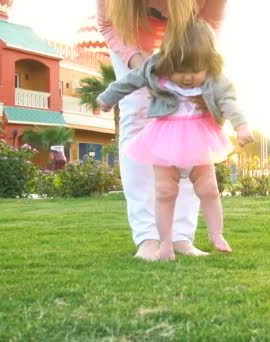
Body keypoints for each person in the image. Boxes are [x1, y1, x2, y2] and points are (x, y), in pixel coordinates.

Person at [97, 16, 254, 261]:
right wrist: (108, 98)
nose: (188, 77)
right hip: (164, 143)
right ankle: (166, 244)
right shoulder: (156, 70)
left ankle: (216, 234)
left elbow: (228, 101)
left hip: (199, 144)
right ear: (168, 60)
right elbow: (129, 81)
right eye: (180, 71)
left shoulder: (215, 78)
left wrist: (241, 126)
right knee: (165, 192)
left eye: (196, 71)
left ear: (209, 63)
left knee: (209, 189)